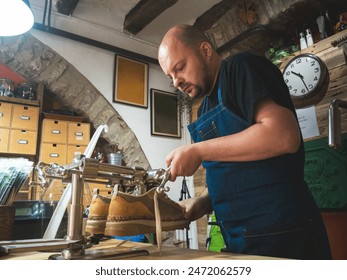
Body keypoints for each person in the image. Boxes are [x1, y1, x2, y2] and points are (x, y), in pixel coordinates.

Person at [158, 24, 332, 259]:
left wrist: (198, 150)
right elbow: (235, 169)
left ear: (206, 50)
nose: (177, 82)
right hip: (239, 238)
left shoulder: (241, 69)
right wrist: (202, 202)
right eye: (171, 77)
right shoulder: (205, 108)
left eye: (180, 68)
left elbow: (283, 135)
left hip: (282, 233)